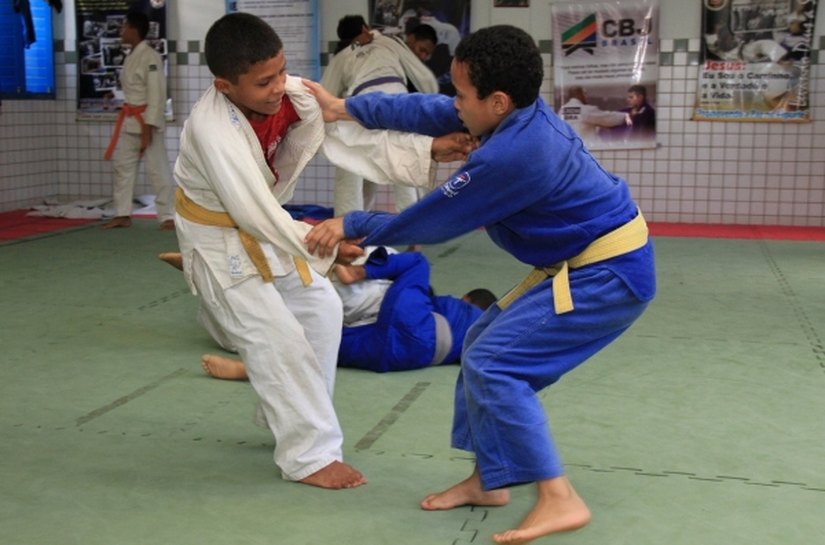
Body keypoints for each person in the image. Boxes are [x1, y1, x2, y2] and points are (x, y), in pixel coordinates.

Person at [303, 24, 656, 544]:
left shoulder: (511, 156)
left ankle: (559, 497)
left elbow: (430, 223)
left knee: (497, 363)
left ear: (496, 101)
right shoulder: (511, 115)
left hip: (610, 274)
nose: (455, 104)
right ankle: (490, 480)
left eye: (463, 95)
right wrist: (344, 108)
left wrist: (351, 224)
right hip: (590, 263)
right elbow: (429, 109)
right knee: (477, 344)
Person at [172, 13, 472, 491]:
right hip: (218, 238)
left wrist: (428, 151)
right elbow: (254, 213)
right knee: (274, 335)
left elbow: (344, 135)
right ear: (225, 85)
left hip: (266, 224)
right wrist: (328, 253)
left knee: (322, 306)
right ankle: (308, 455)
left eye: (281, 71)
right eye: (263, 82)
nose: (278, 87)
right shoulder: (213, 131)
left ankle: (284, 419)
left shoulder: (291, 94)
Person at [159, 247, 496, 378]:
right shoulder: (477, 344)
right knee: (320, 343)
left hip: (415, 323)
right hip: (397, 357)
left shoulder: (470, 314)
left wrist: (368, 270)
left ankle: (356, 272)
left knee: (418, 262)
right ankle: (252, 367)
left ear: (468, 300)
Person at [321, 15, 439, 217]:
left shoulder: (342, 57)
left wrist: (323, 131)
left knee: (350, 164)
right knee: (402, 161)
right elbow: (425, 78)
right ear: (366, 28)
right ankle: (411, 225)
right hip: (396, 100)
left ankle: (346, 225)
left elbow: (326, 95)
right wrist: (432, 108)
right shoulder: (389, 41)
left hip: (360, 105)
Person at [102, 10, 175, 230]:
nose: (121, 30)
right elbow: (133, 91)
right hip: (130, 120)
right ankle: (123, 213)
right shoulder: (132, 55)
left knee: (157, 169)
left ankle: (167, 216)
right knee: (123, 167)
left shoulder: (150, 56)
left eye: (124, 26)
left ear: (134, 29)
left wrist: (148, 128)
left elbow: (156, 94)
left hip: (147, 122)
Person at [558, 86, 629, 143]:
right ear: (579, 94)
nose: (586, 97)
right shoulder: (586, 110)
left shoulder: (561, 111)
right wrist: (625, 116)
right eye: (584, 93)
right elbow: (607, 118)